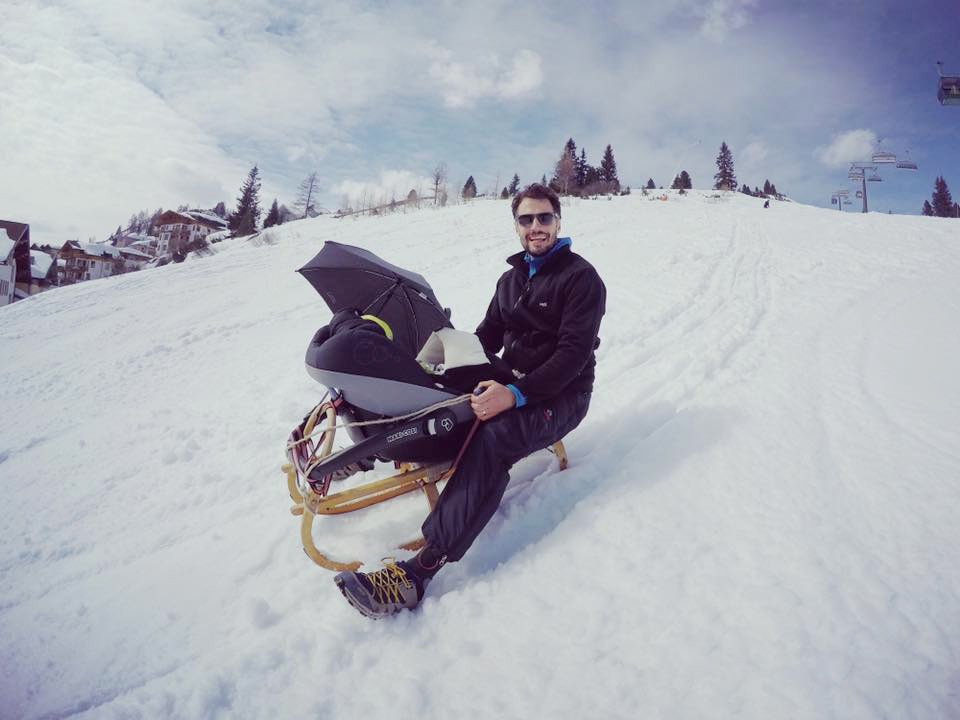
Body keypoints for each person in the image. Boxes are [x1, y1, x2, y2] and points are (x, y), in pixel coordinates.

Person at [334, 183, 606, 618]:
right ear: (516, 225)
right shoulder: (510, 280)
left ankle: (418, 574)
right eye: (526, 219)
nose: (536, 227)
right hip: (514, 379)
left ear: (559, 221)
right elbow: (487, 338)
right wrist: (447, 355)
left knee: (495, 436)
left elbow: (571, 358)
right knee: (442, 386)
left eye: (544, 218)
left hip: (563, 394)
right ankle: (377, 443)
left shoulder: (581, 279)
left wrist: (513, 395)